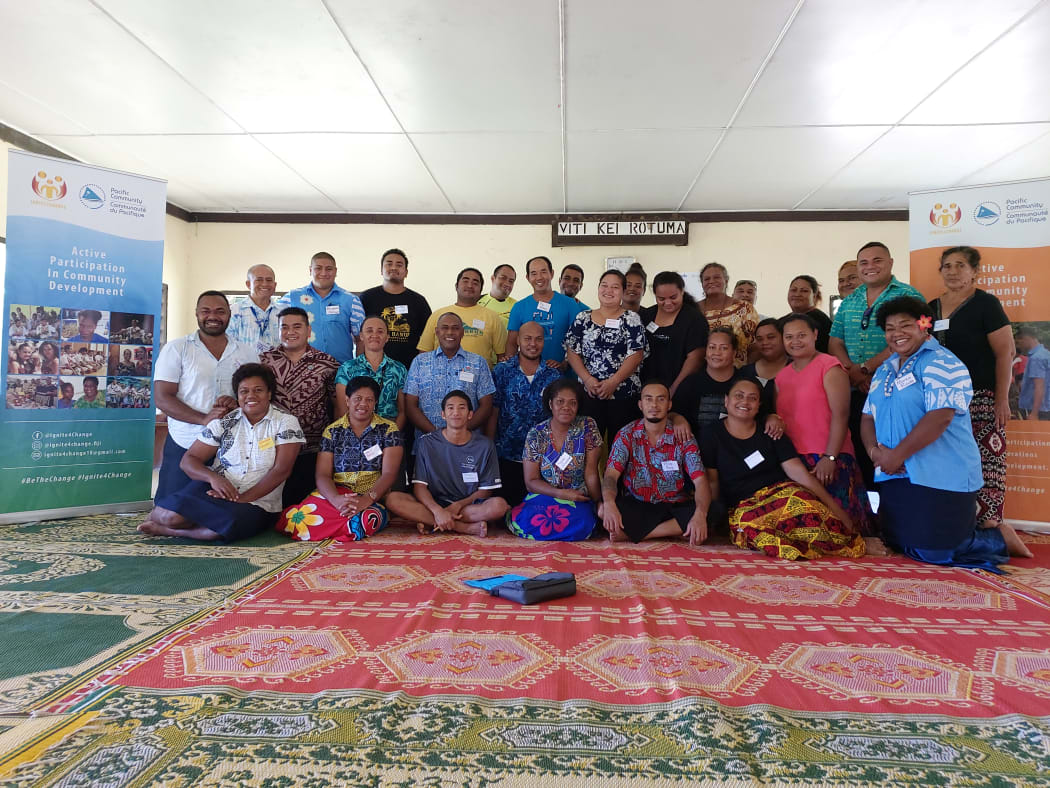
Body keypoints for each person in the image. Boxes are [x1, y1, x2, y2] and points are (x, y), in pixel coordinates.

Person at [860, 297, 1031, 569]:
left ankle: (997, 537)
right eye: (890, 328)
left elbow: (940, 417)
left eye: (906, 325)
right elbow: (868, 416)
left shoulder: (942, 363)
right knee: (895, 543)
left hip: (940, 474)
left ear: (924, 326)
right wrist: (876, 453)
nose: (897, 334)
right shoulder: (885, 370)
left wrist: (896, 456)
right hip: (894, 472)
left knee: (935, 553)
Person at [700, 377, 865, 560]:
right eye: (738, 396)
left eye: (752, 398)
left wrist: (838, 511)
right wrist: (715, 518)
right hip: (744, 507)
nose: (744, 402)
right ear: (726, 400)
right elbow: (712, 481)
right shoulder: (711, 434)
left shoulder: (771, 432)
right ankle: (801, 549)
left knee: (802, 504)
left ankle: (852, 543)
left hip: (783, 497)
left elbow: (799, 473)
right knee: (749, 527)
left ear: (759, 404)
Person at [138, 364, 304, 542]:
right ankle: (176, 522)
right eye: (244, 391)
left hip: (258, 501)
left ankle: (175, 531)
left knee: (220, 529)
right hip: (216, 490)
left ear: (269, 394)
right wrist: (214, 479)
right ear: (238, 396)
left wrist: (242, 498)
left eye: (258, 390)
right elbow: (189, 460)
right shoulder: (226, 421)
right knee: (168, 517)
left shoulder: (286, 422)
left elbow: (281, 470)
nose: (251, 396)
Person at [928, 246, 1014, 527]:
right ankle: (955, 524)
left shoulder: (986, 304)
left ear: (975, 271)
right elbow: (917, 343)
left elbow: (1005, 352)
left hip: (980, 399)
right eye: (947, 266)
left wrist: (1002, 400)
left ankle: (990, 526)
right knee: (946, 459)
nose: (953, 271)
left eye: (960, 265)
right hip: (939, 400)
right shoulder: (929, 309)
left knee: (986, 463)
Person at [829, 242, 924, 486]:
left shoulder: (910, 295)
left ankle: (895, 512)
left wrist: (865, 369)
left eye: (877, 260)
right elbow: (835, 341)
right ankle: (871, 517)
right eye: (864, 262)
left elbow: (916, 334)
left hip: (898, 388)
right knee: (862, 454)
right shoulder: (850, 301)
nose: (870, 267)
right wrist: (853, 372)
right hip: (855, 388)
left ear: (891, 263)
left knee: (894, 448)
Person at [777, 313, 876, 535]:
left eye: (802, 335)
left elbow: (841, 415)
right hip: (796, 461)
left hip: (829, 457)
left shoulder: (829, 366)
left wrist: (830, 457)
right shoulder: (781, 376)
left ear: (815, 335)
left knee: (842, 525)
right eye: (789, 336)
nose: (795, 341)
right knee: (808, 528)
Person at [153, 291, 259, 500]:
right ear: (197, 314)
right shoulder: (177, 348)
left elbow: (255, 395)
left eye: (220, 311)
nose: (213, 316)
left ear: (229, 314)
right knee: (170, 506)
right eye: (206, 311)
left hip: (232, 446)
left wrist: (236, 403)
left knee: (219, 507)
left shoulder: (247, 352)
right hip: (186, 440)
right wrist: (203, 419)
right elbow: (162, 398)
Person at [278, 377, 403, 542]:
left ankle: (336, 525)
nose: (363, 404)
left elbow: (389, 474)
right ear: (347, 400)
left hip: (373, 495)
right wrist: (336, 499)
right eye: (358, 399)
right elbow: (322, 475)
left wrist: (366, 499)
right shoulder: (332, 431)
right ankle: (340, 522)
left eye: (369, 400)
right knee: (296, 519)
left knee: (366, 521)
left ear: (375, 403)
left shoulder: (388, 429)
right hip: (338, 494)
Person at [601, 381, 711, 544]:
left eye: (660, 399)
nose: (654, 404)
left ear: (669, 404)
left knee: (713, 510)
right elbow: (611, 474)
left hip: (674, 504)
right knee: (602, 510)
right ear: (640, 405)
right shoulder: (627, 434)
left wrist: (700, 514)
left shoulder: (682, 436)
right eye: (648, 399)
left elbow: (700, 480)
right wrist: (609, 503)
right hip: (638, 504)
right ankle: (675, 531)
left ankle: (640, 534)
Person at [387, 390, 509, 536]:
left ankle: (432, 521)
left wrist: (457, 506)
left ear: (470, 414)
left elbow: (486, 490)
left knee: (499, 506)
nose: (456, 412)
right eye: (450, 408)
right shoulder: (427, 442)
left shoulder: (485, 445)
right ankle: (462, 527)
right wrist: (438, 511)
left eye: (462, 408)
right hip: (433, 504)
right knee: (392, 499)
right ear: (443, 414)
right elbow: (420, 487)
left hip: (467, 506)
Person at [260, 307, 340, 507]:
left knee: (306, 507)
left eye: (297, 326)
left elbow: (337, 403)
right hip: (274, 447)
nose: (290, 331)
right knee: (274, 506)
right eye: (284, 327)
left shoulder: (327, 363)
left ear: (308, 330)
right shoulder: (264, 361)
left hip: (313, 448)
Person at [508, 378, 602, 541]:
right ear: (550, 404)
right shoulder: (536, 434)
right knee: (527, 519)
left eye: (572, 403)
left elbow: (591, 472)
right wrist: (560, 493)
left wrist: (598, 502)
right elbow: (531, 481)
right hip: (547, 495)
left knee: (583, 521)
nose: (566, 407)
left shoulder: (587, 426)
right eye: (560, 401)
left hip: (577, 497)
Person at [565, 269, 647, 442]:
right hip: (590, 393)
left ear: (623, 292)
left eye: (615, 287)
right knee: (588, 446)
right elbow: (572, 351)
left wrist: (613, 382)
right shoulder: (583, 318)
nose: (608, 291)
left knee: (622, 447)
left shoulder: (631, 319)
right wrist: (587, 379)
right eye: (604, 285)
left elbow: (636, 354)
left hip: (624, 395)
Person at [487, 321, 562, 506]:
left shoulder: (553, 375)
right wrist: (489, 447)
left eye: (538, 339)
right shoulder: (502, 371)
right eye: (527, 338)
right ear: (518, 340)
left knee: (540, 509)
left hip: (543, 459)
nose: (532, 344)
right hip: (507, 454)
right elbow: (493, 410)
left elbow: (559, 418)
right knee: (506, 509)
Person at [403, 313, 495, 446]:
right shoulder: (420, 362)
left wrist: (459, 433)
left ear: (462, 332)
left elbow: (486, 405)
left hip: (468, 445)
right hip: (428, 444)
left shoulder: (478, 362)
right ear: (437, 332)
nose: (450, 332)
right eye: (445, 328)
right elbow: (411, 405)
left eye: (455, 328)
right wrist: (437, 435)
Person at [278, 251, 365, 363]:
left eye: (328, 269)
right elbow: (277, 332)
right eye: (318, 268)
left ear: (335, 271)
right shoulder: (291, 298)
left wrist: (358, 370)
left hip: (340, 371)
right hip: (300, 371)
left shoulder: (351, 300)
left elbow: (361, 339)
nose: (323, 273)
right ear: (310, 270)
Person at [416, 268, 507, 366]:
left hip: (479, 379)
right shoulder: (438, 315)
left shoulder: (492, 317)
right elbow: (424, 353)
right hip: (440, 379)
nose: (470, 285)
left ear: (481, 290)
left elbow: (502, 357)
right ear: (456, 286)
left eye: (475, 283)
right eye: (465, 281)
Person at [359, 248, 432, 369]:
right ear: (381, 270)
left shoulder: (418, 301)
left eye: (399, 265)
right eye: (389, 264)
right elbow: (358, 335)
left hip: (409, 369)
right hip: (372, 369)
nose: (393, 267)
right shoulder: (366, 298)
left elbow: (428, 337)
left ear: (406, 272)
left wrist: (422, 367)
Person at [506, 256, 586, 367]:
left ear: (552, 274)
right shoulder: (519, 307)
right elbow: (512, 344)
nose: (539, 277)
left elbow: (580, 340)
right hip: (529, 378)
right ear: (527, 277)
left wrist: (565, 364)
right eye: (533, 273)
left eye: (543, 272)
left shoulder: (570, 304)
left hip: (565, 377)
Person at [639, 271, 709, 395]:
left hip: (680, 388)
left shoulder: (694, 319)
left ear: (682, 291)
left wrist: (674, 389)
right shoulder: (646, 315)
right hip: (647, 389)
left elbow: (695, 358)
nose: (668, 303)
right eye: (661, 299)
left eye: (673, 297)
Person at [335, 316, 407, 430]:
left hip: (390, 432)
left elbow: (402, 411)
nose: (375, 335)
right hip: (355, 433)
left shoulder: (399, 369)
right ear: (361, 336)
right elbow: (343, 411)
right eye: (369, 331)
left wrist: (391, 437)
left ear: (387, 337)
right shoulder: (347, 368)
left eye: (380, 331)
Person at [672, 328, 743, 434]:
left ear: (734, 353)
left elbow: (763, 414)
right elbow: (672, 413)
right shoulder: (691, 383)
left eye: (723, 348)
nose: (716, 353)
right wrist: (677, 418)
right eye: (712, 347)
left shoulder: (746, 383)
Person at [698, 263, 759, 367]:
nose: (711, 281)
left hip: (738, 374)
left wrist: (747, 374)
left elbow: (755, 348)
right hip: (700, 373)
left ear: (726, 281)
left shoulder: (745, 309)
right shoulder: (693, 310)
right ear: (702, 283)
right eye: (707, 279)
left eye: (716, 277)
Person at [227, 264, 282, 355]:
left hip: (278, 368)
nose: (264, 284)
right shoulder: (233, 312)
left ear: (275, 285)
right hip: (243, 368)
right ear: (248, 284)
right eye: (259, 280)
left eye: (269, 280)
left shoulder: (284, 312)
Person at [741, 318, 788, 399]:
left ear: (783, 337)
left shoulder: (797, 368)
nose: (765, 342)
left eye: (770, 337)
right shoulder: (745, 372)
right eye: (759, 339)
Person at [785, 275, 832, 353]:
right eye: (793, 290)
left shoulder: (820, 320)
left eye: (804, 291)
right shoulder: (784, 320)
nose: (797, 294)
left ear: (814, 296)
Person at [1017, 326, 1050, 420]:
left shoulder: (1036, 358)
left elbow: (1039, 386)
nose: (1018, 346)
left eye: (1018, 342)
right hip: (1045, 407)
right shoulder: (1045, 354)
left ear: (1026, 338)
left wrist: (1034, 413)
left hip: (1036, 410)